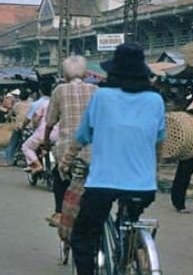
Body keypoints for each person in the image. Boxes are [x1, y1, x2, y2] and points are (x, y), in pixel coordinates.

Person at [63, 43, 165, 275]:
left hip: (102, 184)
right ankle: (127, 255)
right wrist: (153, 171)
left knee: (83, 236)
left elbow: (82, 136)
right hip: (143, 185)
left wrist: (65, 161)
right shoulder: (156, 100)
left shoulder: (102, 96)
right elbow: (158, 142)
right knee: (129, 219)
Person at [44, 55, 97, 227]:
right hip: (93, 149)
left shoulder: (59, 90)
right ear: (85, 73)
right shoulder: (96, 90)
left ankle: (59, 212)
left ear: (65, 75)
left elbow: (50, 122)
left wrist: (45, 141)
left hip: (67, 147)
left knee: (59, 175)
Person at [21, 82, 52, 174]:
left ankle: (37, 165)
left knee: (26, 147)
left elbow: (34, 120)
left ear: (40, 91)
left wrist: (32, 125)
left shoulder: (39, 104)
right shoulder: (57, 103)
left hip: (43, 132)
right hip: (58, 134)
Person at [1, 89, 30, 167]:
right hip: (29, 127)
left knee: (12, 143)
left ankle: (8, 160)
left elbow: (11, 114)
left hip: (19, 127)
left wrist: (7, 118)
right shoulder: (31, 104)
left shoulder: (17, 105)